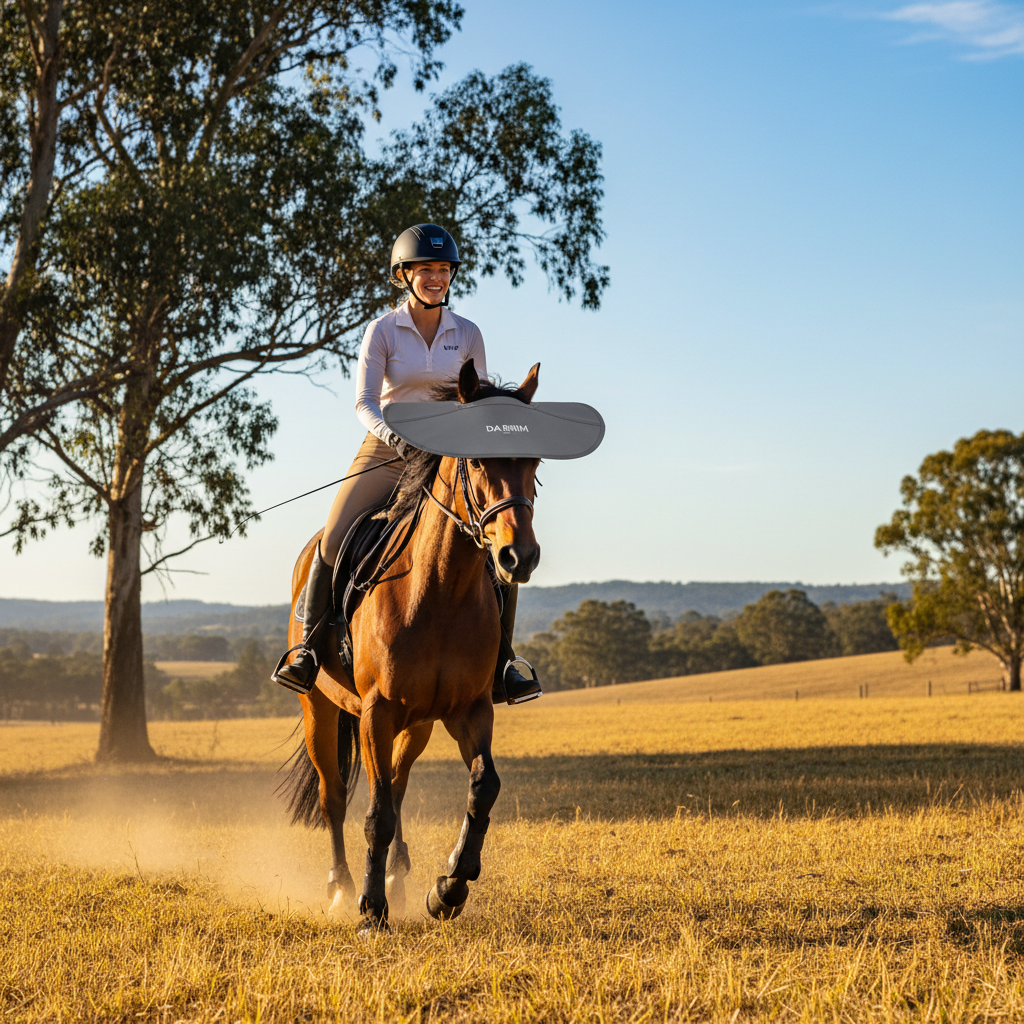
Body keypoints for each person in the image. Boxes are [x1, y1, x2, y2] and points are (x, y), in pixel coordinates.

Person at [272, 224, 542, 705]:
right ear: (404, 275)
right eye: (425, 270)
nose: (436, 278)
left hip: (450, 459)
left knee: (495, 547)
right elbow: (364, 403)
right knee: (333, 539)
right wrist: (396, 436)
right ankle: (308, 652)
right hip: (388, 449)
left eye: (443, 270)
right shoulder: (382, 330)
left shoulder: (468, 333)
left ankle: (502, 665)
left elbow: (474, 402)